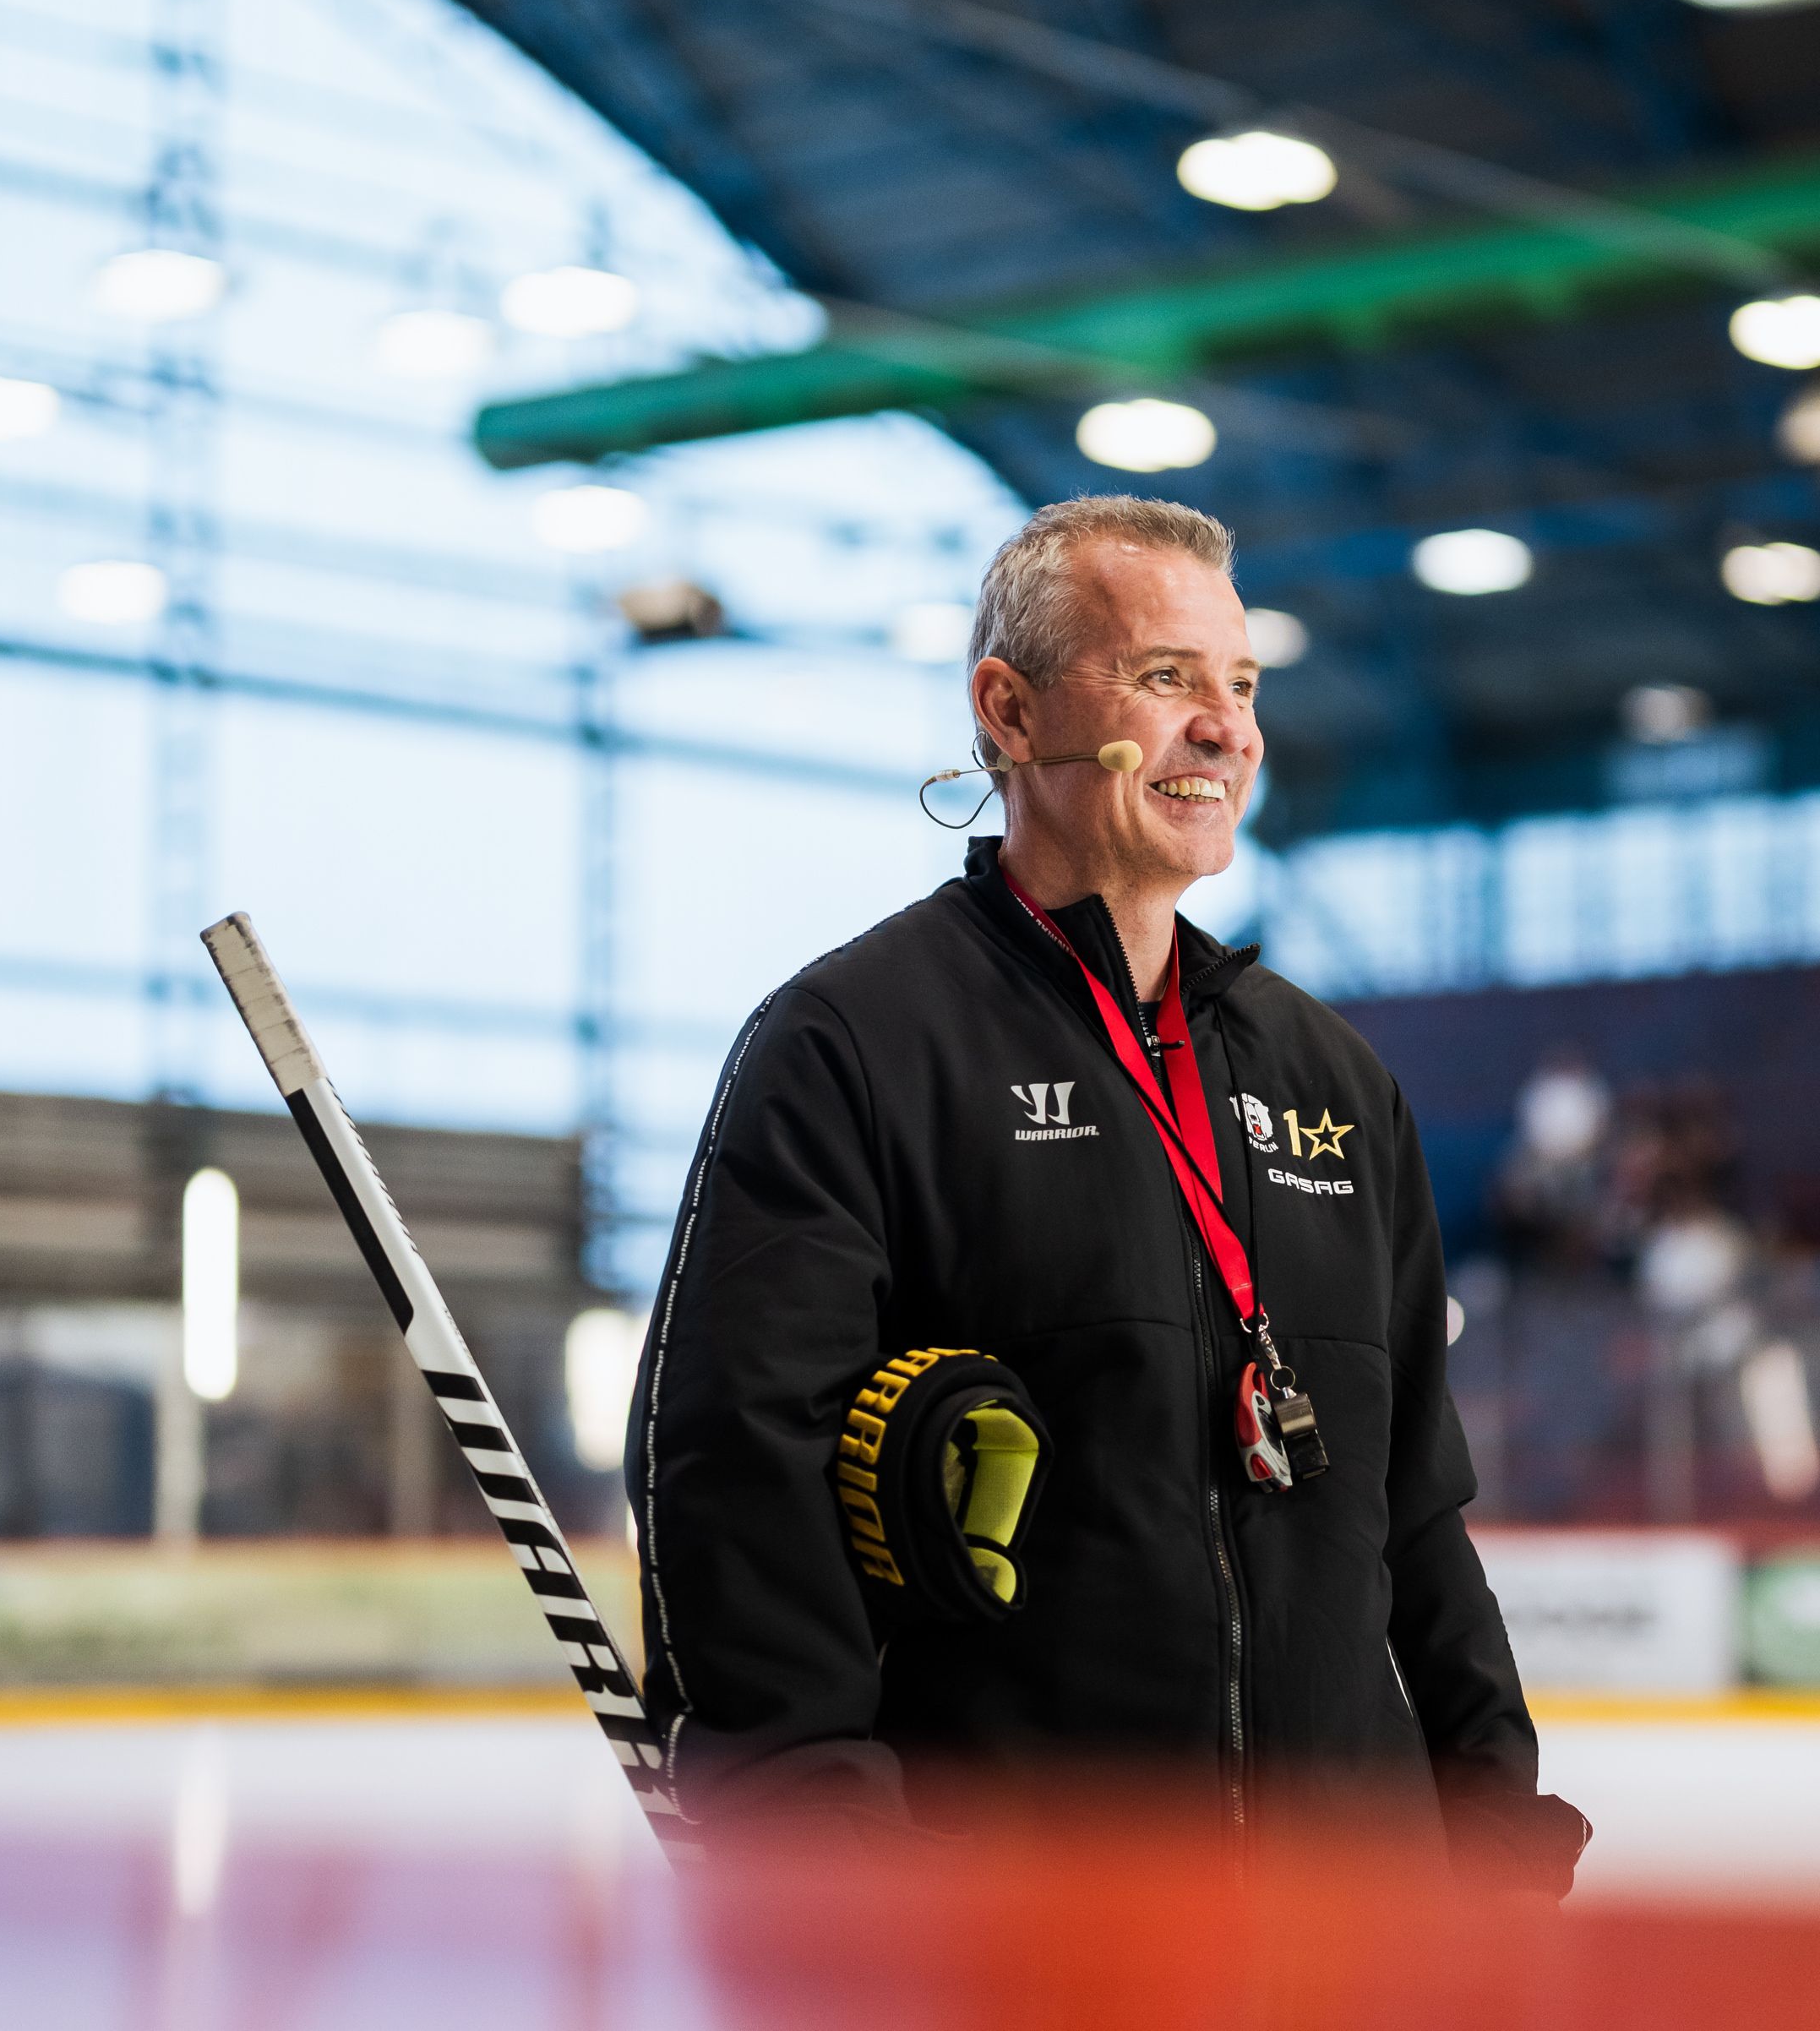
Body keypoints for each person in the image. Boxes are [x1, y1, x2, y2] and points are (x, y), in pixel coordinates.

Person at [624, 495, 1587, 1892]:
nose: (1228, 728)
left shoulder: (1335, 1082)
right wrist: (820, 1850)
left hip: (1353, 1924)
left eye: (1242, 684)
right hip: (1019, 1921)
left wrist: (1494, 1816)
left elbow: (1418, 1506)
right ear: (1009, 713)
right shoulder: (854, 1046)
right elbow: (737, 1468)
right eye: (1165, 675)